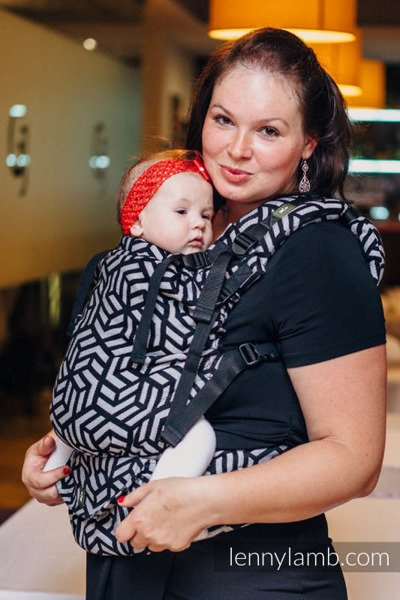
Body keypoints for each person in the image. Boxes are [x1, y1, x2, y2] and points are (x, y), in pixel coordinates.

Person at [22, 28, 386, 599]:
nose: (237, 149)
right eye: (223, 120)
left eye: (268, 130)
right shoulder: (177, 227)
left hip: (249, 575)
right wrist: (68, 440)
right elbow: (144, 376)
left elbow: (354, 459)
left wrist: (200, 500)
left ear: (308, 144)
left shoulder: (316, 252)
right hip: (122, 562)